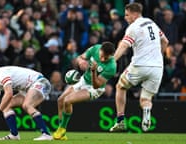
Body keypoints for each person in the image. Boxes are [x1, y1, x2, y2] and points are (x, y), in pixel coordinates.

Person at [109, 2, 169, 132]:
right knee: (146, 99)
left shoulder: (133, 27)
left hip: (139, 65)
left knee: (120, 86)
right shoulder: (151, 23)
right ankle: (147, 111)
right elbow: (165, 41)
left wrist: (112, 60)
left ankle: (120, 120)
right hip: (157, 67)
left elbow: (124, 46)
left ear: (135, 14)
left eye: (127, 15)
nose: (125, 18)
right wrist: (159, 56)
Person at [53, 41, 117, 140]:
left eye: (106, 58)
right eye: (102, 56)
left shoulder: (111, 67)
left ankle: (62, 128)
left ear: (112, 55)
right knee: (60, 100)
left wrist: (93, 71)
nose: (103, 59)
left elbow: (96, 85)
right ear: (100, 50)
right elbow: (80, 57)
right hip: (83, 80)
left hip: (95, 88)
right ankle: (61, 133)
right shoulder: (95, 48)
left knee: (67, 100)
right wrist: (80, 62)